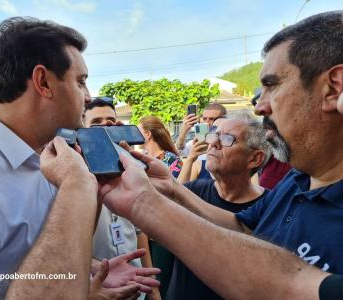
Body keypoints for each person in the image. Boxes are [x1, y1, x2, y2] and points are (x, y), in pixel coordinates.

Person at [97, 10, 343, 299]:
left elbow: (288, 284)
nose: (261, 107)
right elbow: (246, 229)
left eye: (272, 85)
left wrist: (143, 203)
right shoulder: (296, 181)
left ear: (334, 87)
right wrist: (172, 188)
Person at [0, 17, 159, 300]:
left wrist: (89, 272)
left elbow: (25, 259)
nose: (88, 96)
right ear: (43, 82)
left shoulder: (57, 157)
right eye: (81, 82)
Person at [167, 114, 269, 300]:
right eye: (215, 135)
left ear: (254, 159)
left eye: (228, 139)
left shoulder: (271, 208)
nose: (213, 143)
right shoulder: (192, 191)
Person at [84, 99, 157, 300]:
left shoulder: (132, 170)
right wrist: (99, 268)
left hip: (138, 290)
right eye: (97, 122)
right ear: (82, 130)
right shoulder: (73, 177)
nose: (107, 125)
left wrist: (153, 290)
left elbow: (138, 233)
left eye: (111, 120)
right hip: (98, 291)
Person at [137, 115, 183, 298]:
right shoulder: (141, 158)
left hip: (162, 233)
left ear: (147, 135)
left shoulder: (171, 160)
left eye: (137, 130)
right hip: (143, 232)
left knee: (160, 284)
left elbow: (169, 196)